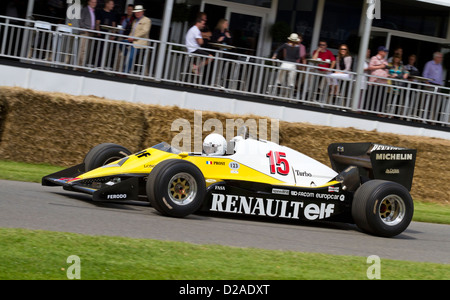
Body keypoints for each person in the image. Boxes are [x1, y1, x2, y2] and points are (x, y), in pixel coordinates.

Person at [123, 5, 151, 74]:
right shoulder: (135, 21)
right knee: (121, 43)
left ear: (142, 12)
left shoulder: (147, 20)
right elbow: (132, 31)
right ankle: (126, 54)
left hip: (140, 43)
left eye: (138, 12)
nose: (137, 13)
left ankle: (125, 72)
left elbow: (144, 31)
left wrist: (134, 37)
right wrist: (129, 38)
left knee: (130, 57)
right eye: (136, 12)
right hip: (132, 41)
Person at [95, 0, 116, 68]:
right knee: (99, 51)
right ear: (107, 4)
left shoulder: (112, 14)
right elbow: (97, 23)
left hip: (108, 36)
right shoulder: (100, 12)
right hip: (101, 35)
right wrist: (98, 32)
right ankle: (97, 65)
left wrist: (113, 34)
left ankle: (103, 66)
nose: (112, 6)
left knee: (106, 51)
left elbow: (113, 25)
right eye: (111, 4)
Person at [77, 0, 97, 68]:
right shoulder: (85, 10)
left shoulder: (93, 11)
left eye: (95, 2)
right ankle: (79, 65)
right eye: (92, 2)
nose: (94, 3)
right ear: (89, 2)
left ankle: (82, 64)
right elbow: (80, 21)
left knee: (87, 50)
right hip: (85, 32)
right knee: (82, 49)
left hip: (90, 33)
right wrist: (84, 29)